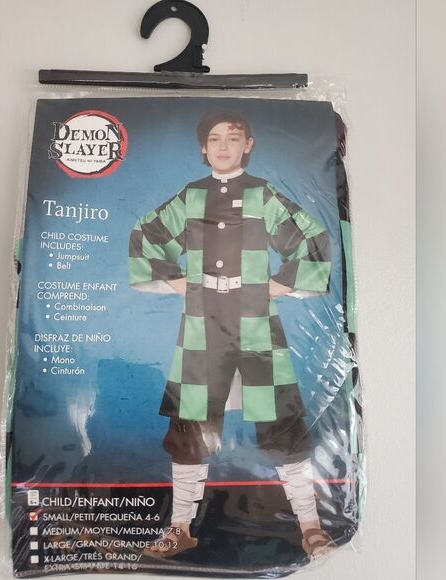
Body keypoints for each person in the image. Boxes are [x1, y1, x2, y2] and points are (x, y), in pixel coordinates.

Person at [129, 110, 334, 559]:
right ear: (204, 149)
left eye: (234, 137)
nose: (224, 146)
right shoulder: (192, 196)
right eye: (215, 139)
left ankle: (311, 526)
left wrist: (278, 285)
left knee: (283, 423)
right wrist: (177, 282)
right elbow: (146, 234)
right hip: (202, 326)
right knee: (190, 429)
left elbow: (313, 239)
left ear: (248, 144)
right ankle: (180, 528)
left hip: (257, 323)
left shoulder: (263, 194)